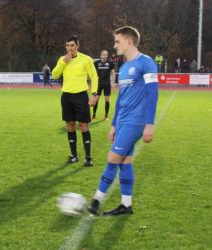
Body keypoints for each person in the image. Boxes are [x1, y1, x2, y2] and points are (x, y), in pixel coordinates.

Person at [87, 26, 158, 216]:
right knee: (125, 162)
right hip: (123, 121)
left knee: (112, 159)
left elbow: (153, 94)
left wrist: (150, 124)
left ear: (129, 41)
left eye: (117, 41)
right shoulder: (124, 66)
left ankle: (95, 202)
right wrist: (113, 124)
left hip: (136, 122)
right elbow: (120, 98)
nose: (114, 45)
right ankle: (126, 205)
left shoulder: (146, 62)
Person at [52, 35, 99, 167]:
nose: (70, 48)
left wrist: (94, 94)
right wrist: (63, 62)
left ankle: (88, 157)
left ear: (78, 46)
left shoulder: (86, 59)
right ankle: (74, 156)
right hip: (66, 96)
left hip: (81, 96)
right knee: (70, 125)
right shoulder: (62, 59)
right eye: (67, 45)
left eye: (72, 45)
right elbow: (55, 75)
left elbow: (94, 77)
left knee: (84, 125)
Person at [92, 50, 116, 120]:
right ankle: (93, 115)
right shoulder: (96, 63)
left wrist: (113, 82)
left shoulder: (110, 63)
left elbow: (113, 73)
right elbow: (92, 72)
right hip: (98, 84)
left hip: (107, 84)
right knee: (96, 100)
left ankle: (106, 116)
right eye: (103, 54)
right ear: (100, 55)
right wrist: (94, 78)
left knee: (107, 100)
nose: (105, 56)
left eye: (106, 54)